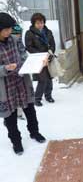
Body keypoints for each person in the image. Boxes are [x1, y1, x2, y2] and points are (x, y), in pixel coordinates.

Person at [0, 12, 46, 155]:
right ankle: (16, 142)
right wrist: (5, 68)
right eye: (6, 29)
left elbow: (24, 56)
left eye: (10, 29)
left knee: (30, 109)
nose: (9, 32)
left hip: (21, 81)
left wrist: (36, 62)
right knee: (11, 116)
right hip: (5, 86)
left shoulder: (15, 40)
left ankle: (34, 132)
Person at [25, 13, 56, 107]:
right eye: (38, 23)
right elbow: (29, 47)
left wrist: (50, 53)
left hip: (49, 57)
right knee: (42, 79)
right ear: (33, 23)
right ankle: (37, 98)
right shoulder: (29, 33)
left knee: (50, 78)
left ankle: (48, 96)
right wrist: (41, 55)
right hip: (38, 59)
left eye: (42, 22)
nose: (40, 25)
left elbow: (52, 44)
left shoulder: (48, 32)